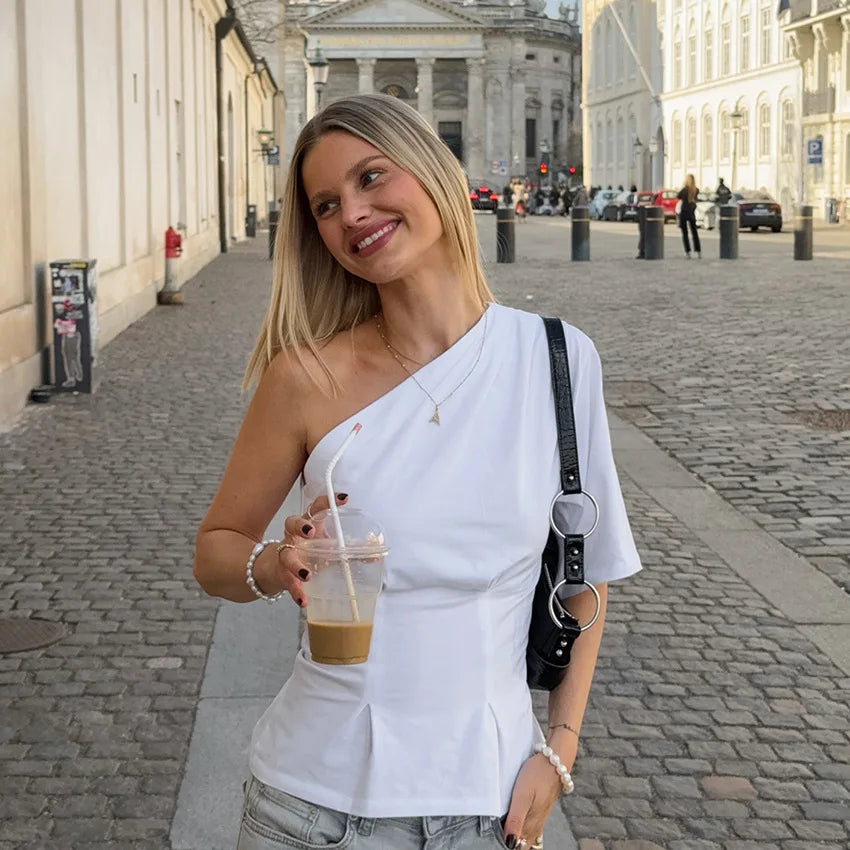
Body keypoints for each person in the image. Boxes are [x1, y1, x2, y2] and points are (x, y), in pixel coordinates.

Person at [194, 93, 641, 850]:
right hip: (310, 804)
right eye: (327, 204)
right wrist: (277, 562)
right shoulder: (304, 378)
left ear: (433, 172)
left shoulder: (559, 360)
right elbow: (216, 549)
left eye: (373, 177)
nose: (353, 213)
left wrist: (558, 750)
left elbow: (583, 573)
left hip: (488, 799)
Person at [677, 174, 701, 258]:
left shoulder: (684, 190)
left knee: (685, 233)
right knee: (694, 233)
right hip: (691, 212)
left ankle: (688, 252)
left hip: (684, 212)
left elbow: (678, 196)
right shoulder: (696, 190)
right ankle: (698, 251)